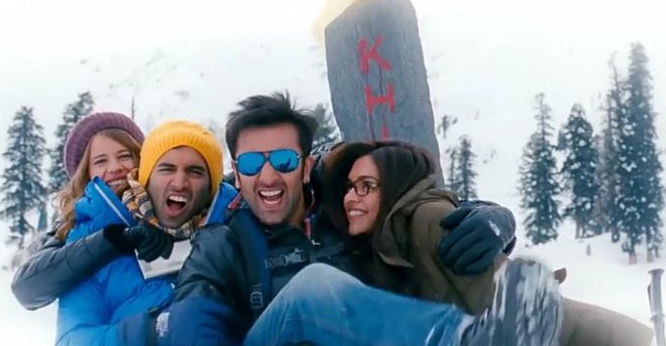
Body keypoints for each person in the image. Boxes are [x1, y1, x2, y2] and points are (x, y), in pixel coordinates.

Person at [141, 93, 561, 346]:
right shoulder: (223, 242)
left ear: (305, 167)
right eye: (251, 164)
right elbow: (195, 319)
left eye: (283, 160)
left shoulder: (344, 207)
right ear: (238, 169)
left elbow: (410, 198)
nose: (267, 177)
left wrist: (490, 216)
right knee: (313, 288)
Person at [321, 140, 654, 346]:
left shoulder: (427, 221)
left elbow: (510, 317)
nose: (351, 197)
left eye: (366, 185)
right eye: (349, 187)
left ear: (393, 187)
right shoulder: (388, 242)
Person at [11, 115, 234, 316]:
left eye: (124, 156)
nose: (115, 167)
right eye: (100, 161)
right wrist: (113, 241)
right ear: (85, 173)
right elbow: (27, 287)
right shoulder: (78, 227)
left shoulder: (173, 203)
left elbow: (213, 186)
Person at [53, 118, 227, 346]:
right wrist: (151, 330)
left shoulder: (233, 230)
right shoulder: (87, 246)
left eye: (124, 155)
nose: (179, 182)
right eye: (100, 161)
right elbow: (73, 338)